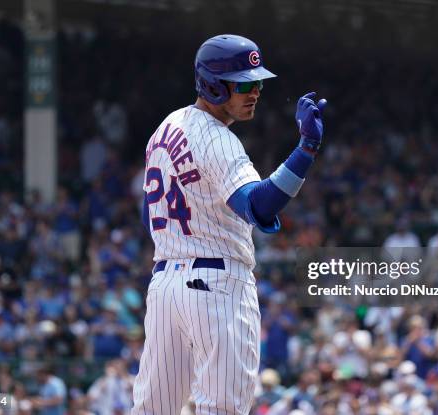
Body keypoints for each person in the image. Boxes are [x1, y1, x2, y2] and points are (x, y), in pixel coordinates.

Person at [132, 34, 326, 414]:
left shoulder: (165, 128)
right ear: (214, 86)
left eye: (258, 83)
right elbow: (258, 206)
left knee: (153, 409)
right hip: (217, 285)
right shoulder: (217, 139)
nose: (255, 92)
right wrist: (305, 151)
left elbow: (148, 215)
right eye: (244, 84)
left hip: (166, 287)